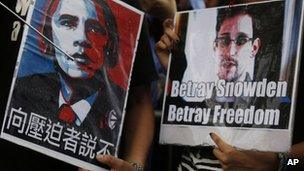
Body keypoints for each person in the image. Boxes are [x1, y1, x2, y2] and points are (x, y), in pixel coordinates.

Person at [156, 2, 304, 171]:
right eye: (224, 40)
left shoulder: (277, 104)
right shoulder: (199, 97)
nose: (231, 51)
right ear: (215, 46)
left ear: (254, 47)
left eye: (241, 40)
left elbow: (298, 162)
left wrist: (279, 163)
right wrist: (172, 72)